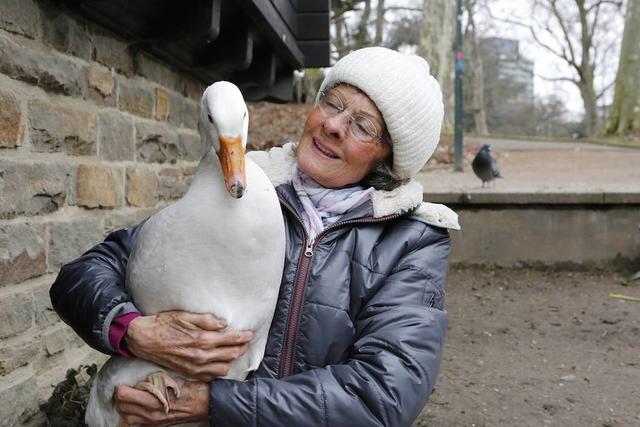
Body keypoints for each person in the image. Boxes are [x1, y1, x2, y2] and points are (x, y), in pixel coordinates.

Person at [50, 47, 459, 426]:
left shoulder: (411, 240)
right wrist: (133, 332)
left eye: (362, 125)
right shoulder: (239, 183)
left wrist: (216, 402)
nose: (333, 125)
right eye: (332, 103)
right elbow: (87, 273)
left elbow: (385, 394)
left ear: (390, 155)